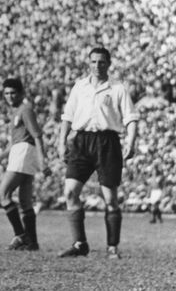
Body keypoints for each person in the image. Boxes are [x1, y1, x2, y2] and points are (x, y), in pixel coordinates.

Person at [57, 47, 139, 259]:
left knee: (110, 198)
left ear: (109, 64)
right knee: (69, 192)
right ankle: (79, 243)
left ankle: (112, 247)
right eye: (93, 62)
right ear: (89, 63)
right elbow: (67, 116)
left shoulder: (117, 88)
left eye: (101, 62)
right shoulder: (80, 86)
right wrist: (61, 142)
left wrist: (130, 141)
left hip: (107, 142)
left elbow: (130, 117)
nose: (97, 66)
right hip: (82, 141)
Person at [0, 78, 50, 251]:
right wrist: (0, 158)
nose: (9, 96)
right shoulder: (16, 111)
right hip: (20, 151)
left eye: (13, 93)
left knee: (3, 194)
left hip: (24, 152)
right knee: (25, 201)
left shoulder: (25, 110)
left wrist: (42, 161)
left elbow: (37, 135)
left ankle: (21, 235)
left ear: (21, 93)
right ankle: (32, 242)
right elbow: (14, 142)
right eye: (7, 93)